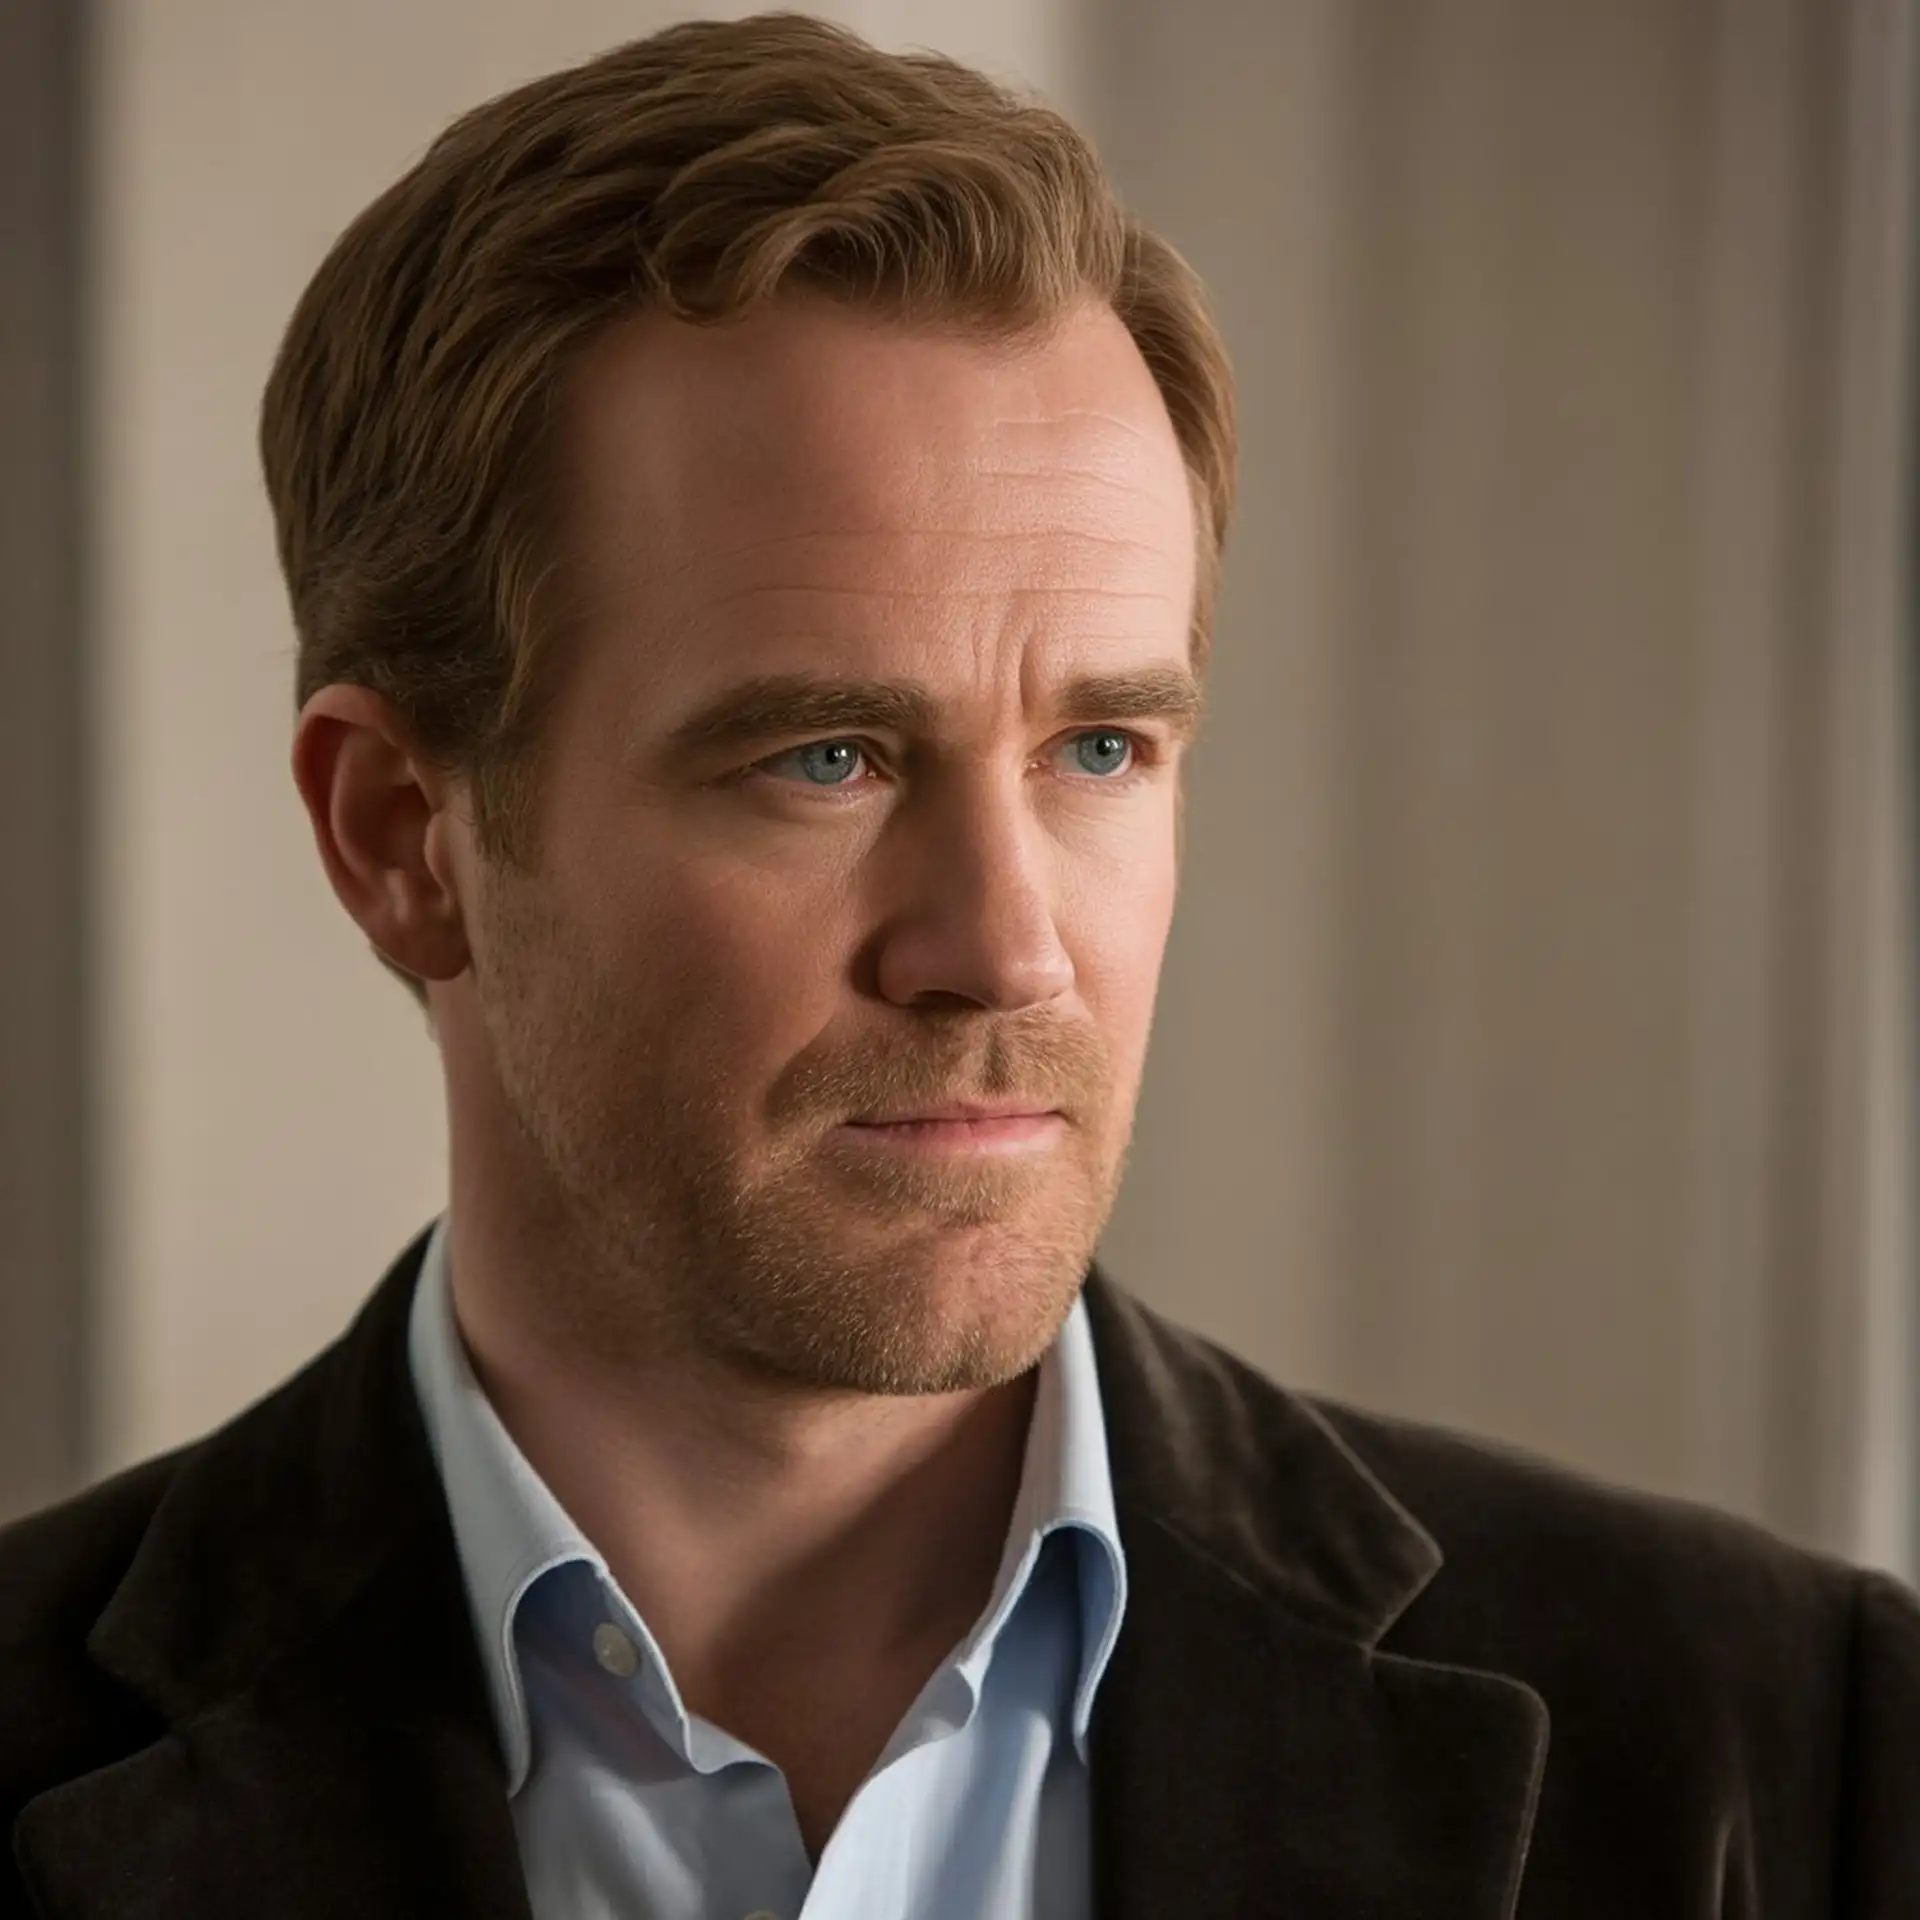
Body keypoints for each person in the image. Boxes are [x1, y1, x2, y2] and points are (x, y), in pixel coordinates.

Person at [3, 12, 1916, 1916]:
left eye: (1102, 749)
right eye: (825, 759)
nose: (1006, 948)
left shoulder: (1782, 1750)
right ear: (400, 837)